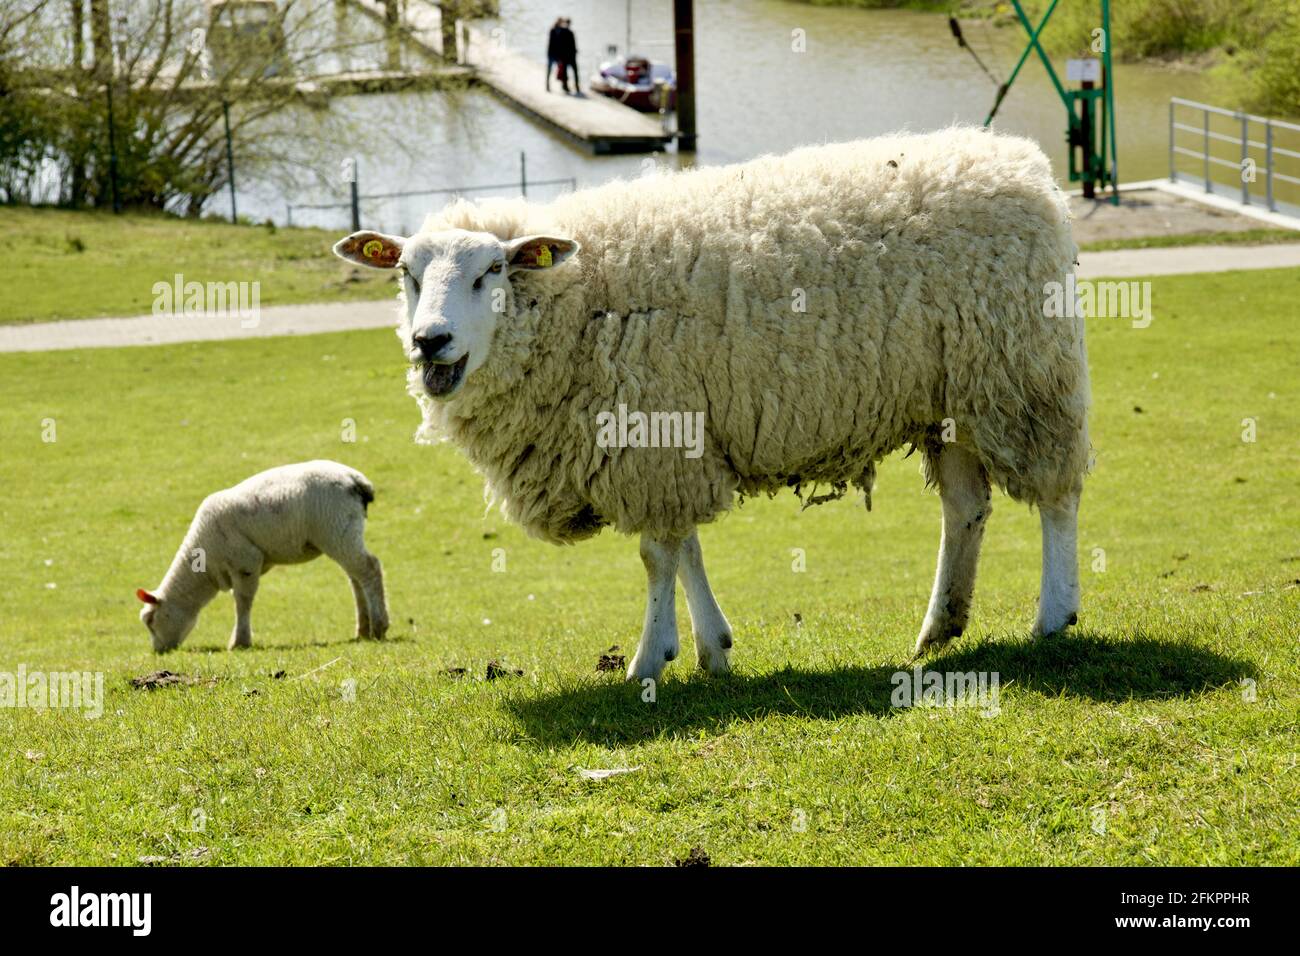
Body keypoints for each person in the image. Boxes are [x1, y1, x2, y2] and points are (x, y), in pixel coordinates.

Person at [556, 17, 579, 94]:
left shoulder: (561, 32)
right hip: (569, 56)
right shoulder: (569, 32)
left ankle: (565, 86)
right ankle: (576, 86)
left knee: (566, 72)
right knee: (574, 71)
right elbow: (573, 45)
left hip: (565, 56)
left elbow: (559, 45)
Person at [546, 17, 567, 93]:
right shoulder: (552, 30)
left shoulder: (561, 31)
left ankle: (563, 86)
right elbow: (551, 43)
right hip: (552, 54)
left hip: (558, 55)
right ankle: (547, 85)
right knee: (549, 70)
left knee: (561, 70)